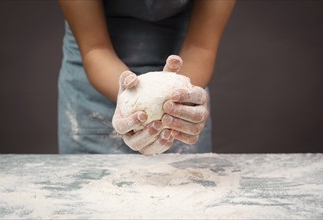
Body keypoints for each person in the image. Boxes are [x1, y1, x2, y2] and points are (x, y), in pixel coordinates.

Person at [58, 0, 235, 154]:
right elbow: (95, 49)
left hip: (185, 73)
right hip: (95, 92)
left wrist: (180, 102)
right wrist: (131, 99)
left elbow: (200, 47)